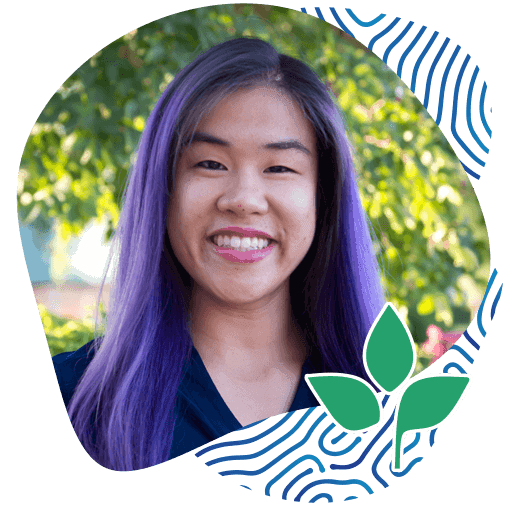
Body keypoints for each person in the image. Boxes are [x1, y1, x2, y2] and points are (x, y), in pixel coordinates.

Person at [52, 37, 385, 471]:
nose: (244, 199)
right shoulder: (68, 399)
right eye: (210, 163)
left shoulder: (396, 415)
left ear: (324, 197)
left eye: (279, 168)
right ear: (164, 189)